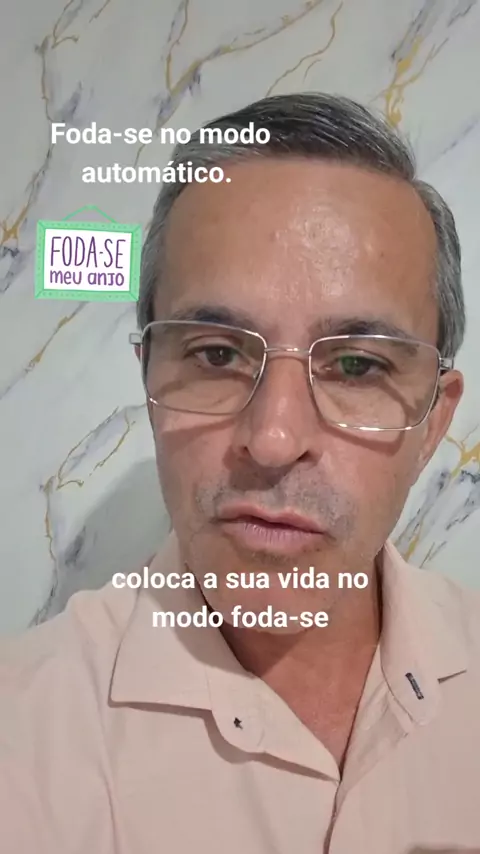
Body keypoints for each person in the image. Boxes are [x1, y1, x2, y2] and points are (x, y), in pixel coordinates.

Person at [0, 92, 479, 854]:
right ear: (149, 382)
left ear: (432, 423)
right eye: (217, 354)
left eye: (357, 365)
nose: (275, 439)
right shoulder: (25, 742)